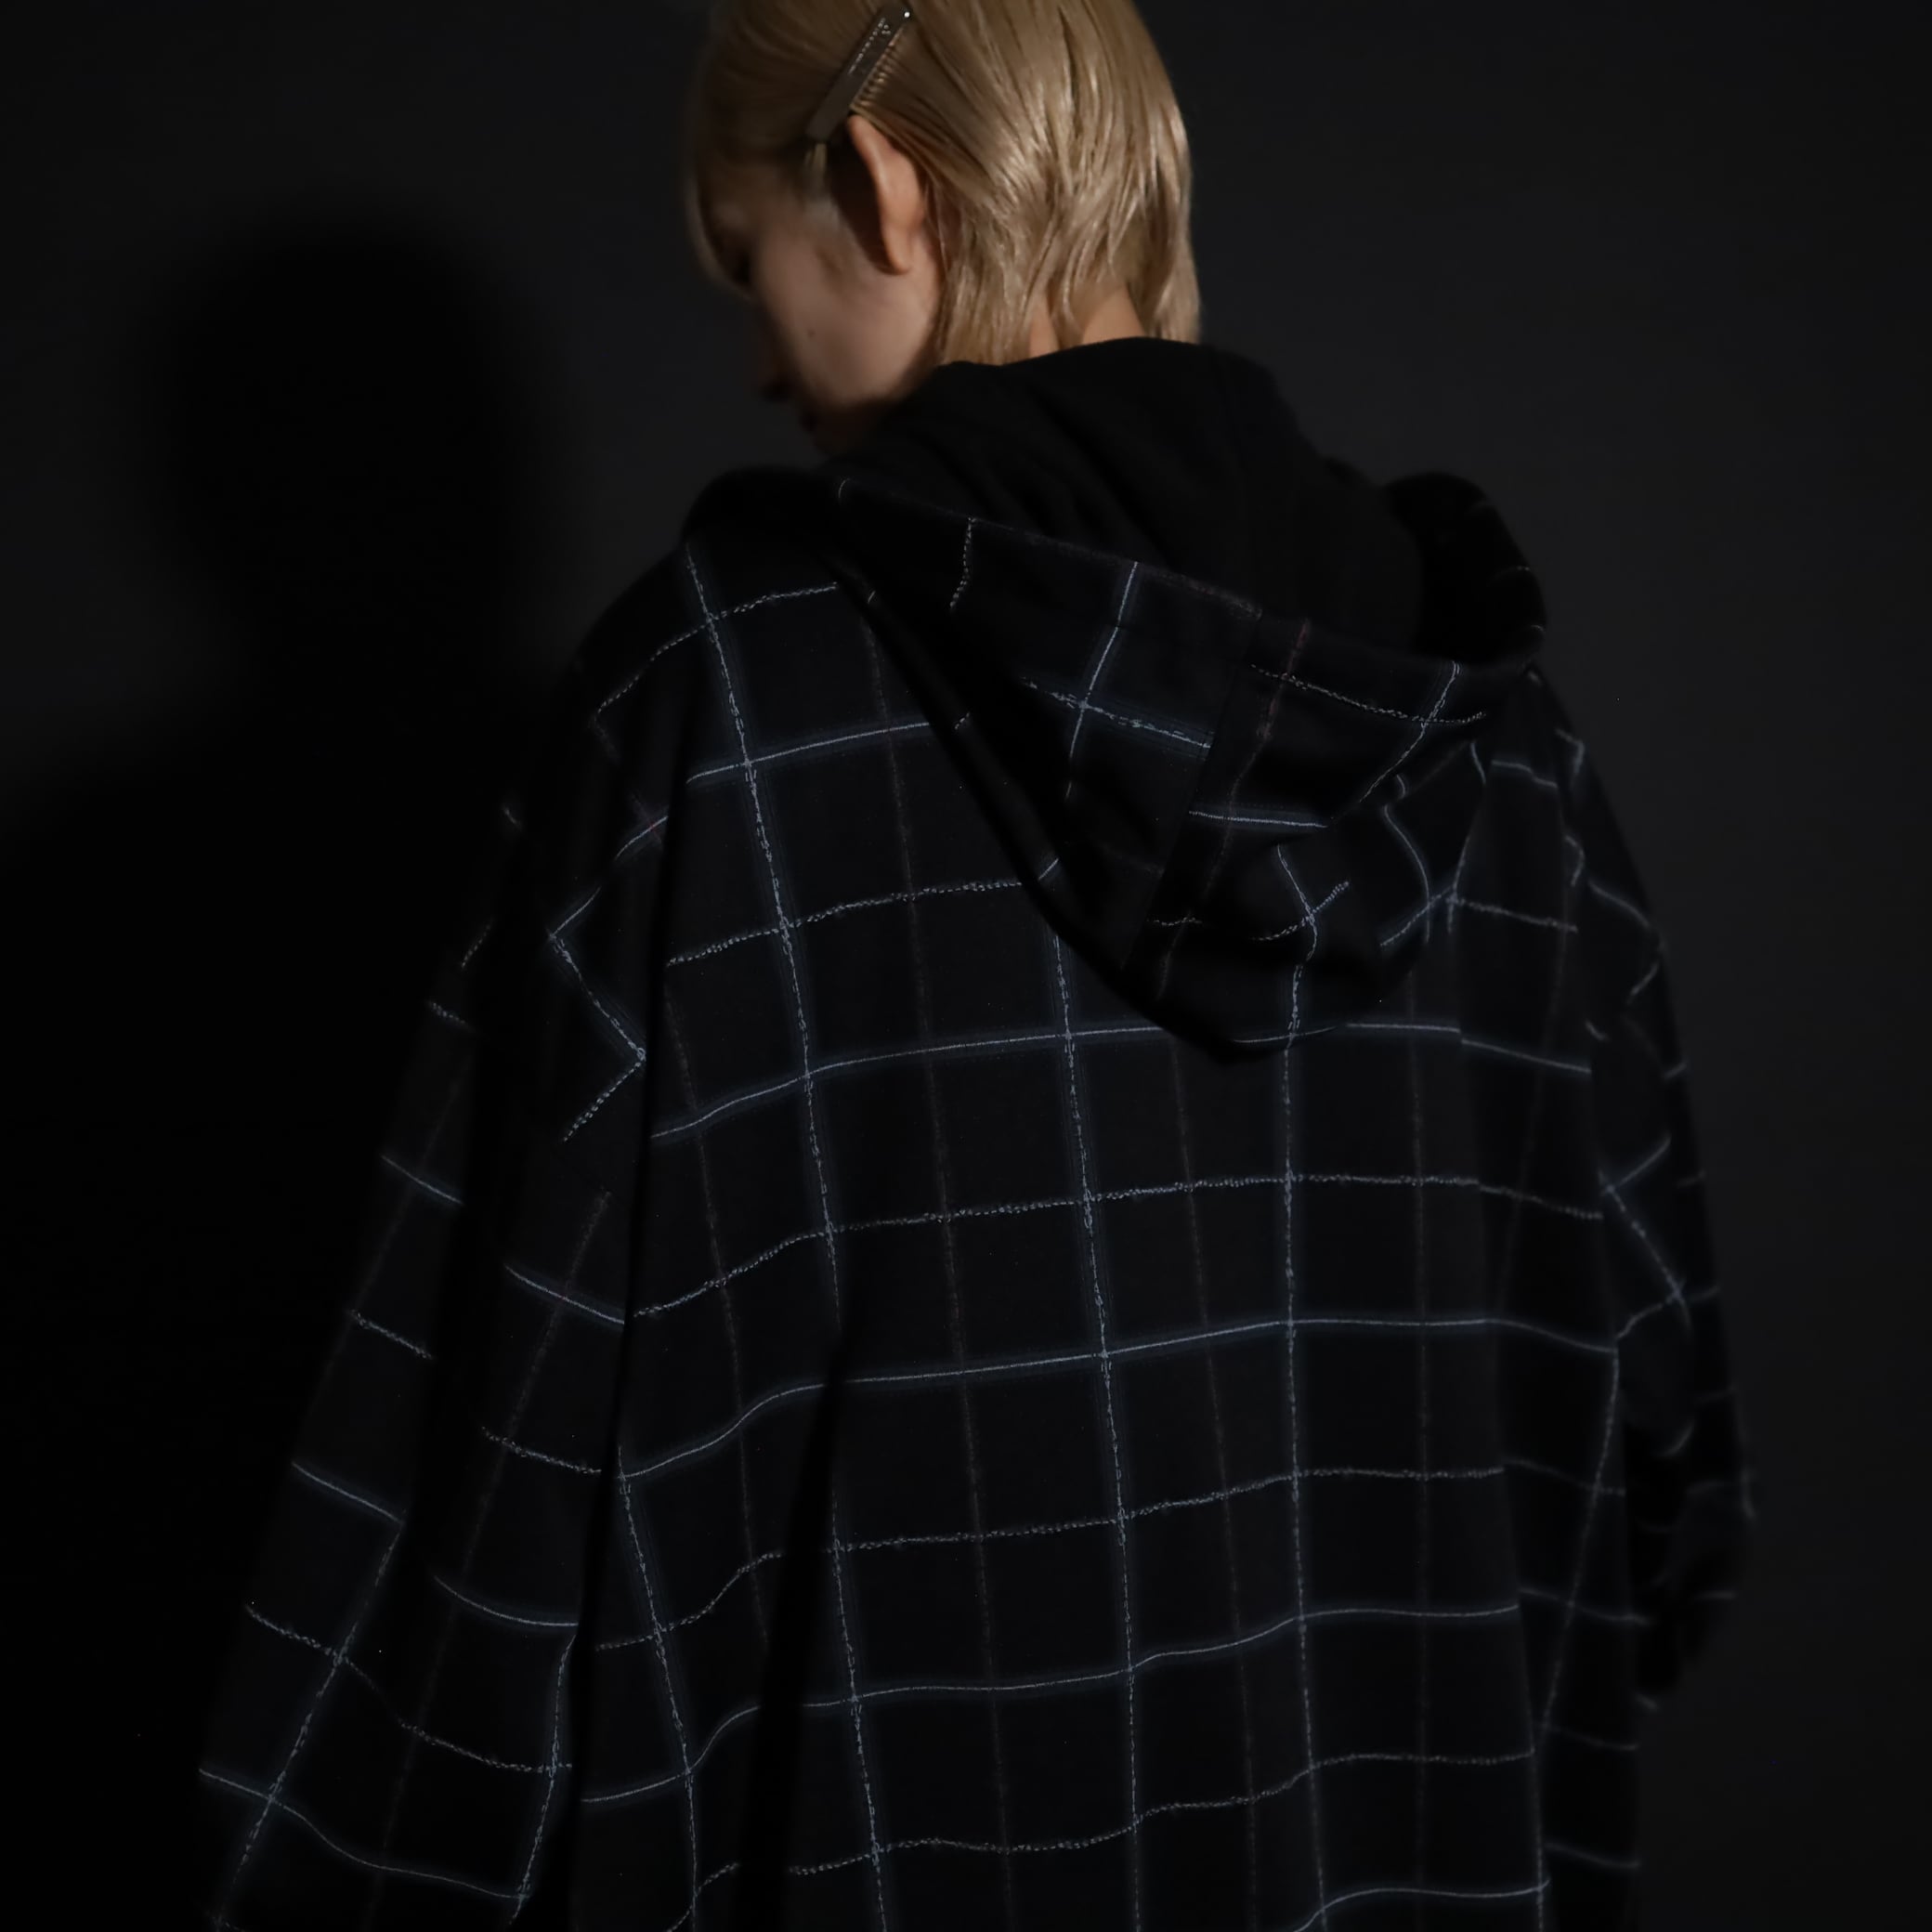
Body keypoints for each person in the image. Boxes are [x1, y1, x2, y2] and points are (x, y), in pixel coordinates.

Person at [192, 4, 1758, 1927]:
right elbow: (1666, 1451)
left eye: (749, 266)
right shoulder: (1496, 746)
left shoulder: (723, 708)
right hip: (1406, 1844)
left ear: (883, 187)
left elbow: (493, 1466)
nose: (760, 361)